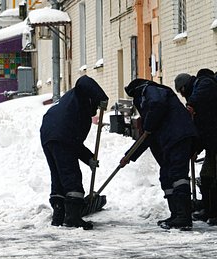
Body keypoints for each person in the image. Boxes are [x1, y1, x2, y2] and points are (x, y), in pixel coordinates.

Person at [121, 79, 198, 230]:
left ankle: (184, 217)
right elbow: (146, 138)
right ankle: (176, 214)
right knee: (166, 176)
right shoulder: (151, 109)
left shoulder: (150, 90)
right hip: (171, 139)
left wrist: (148, 125)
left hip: (178, 137)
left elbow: (157, 104)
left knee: (177, 175)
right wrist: (129, 156)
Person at [174, 72, 217, 226]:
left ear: (185, 87)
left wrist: (191, 104)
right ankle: (211, 210)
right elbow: (201, 130)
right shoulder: (200, 101)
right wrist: (195, 150)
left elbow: (201, 93)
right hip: (215, 142)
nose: (182, 95)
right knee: (206, 176)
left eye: (181, 91)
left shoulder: (204, 83)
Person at [40, 75, 108, 230]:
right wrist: (102, 97)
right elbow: (83, 80)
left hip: (48, 133)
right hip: (61, 134)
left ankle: (59, 213)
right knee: (71, 176)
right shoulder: (80, 95)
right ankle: (72, 217)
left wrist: (89, 158)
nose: (97, 109)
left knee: (58, 174)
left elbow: (75, 143)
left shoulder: (74, 106)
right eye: (96, 106)